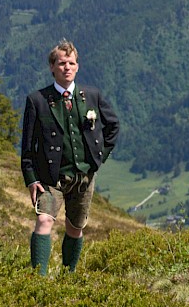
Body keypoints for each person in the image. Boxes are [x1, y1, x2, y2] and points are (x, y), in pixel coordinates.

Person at [20, 39, 119, 275]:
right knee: (44, 221)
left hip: (84, 176)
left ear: (77, 67)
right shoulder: (37, 100)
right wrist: (31, 179)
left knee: (75, 227)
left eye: (71, 63)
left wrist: (98, 157)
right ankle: (37, 280)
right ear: (52, 67)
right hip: (50, 177)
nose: (67, 67)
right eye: (62, 63)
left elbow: (113, 126)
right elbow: (27, 146)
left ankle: (68, 276)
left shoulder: (92, 96)